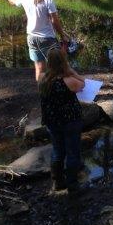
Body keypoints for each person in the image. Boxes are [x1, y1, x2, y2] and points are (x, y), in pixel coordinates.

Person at [0, 0, 70, 80]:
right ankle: (59, 92)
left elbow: (12, 2)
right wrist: (62, 35)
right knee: (58, 67)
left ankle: (43, 93)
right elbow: (54, 21)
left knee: (39, 69)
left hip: (32, 38)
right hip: (48, 39)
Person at [38, 47, 85, 195]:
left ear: (49, 63)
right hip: (70, 121)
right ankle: (72, 184)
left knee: (57, 151)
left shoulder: (43, 79)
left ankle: (57, 182)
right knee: (72, 152)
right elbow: (83, 83)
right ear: (64, 62)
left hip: (52, 121)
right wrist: (72, 72)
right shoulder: (69, 81)